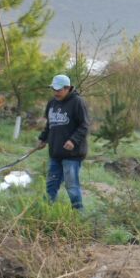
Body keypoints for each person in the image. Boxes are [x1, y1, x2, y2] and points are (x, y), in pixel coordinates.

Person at [39, 73, 90, 208]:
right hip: (55, 152)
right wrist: (43, 138)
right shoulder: (52, 103)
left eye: (59, 90)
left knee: (71, 185)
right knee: (51, 184)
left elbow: (85, 125)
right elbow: (50, 124)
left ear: (68, 88)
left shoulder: (77, 102)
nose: (55, 92)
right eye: (54, 89)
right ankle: (46, 209)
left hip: (72, 154)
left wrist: (73, 140)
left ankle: (78, 212)